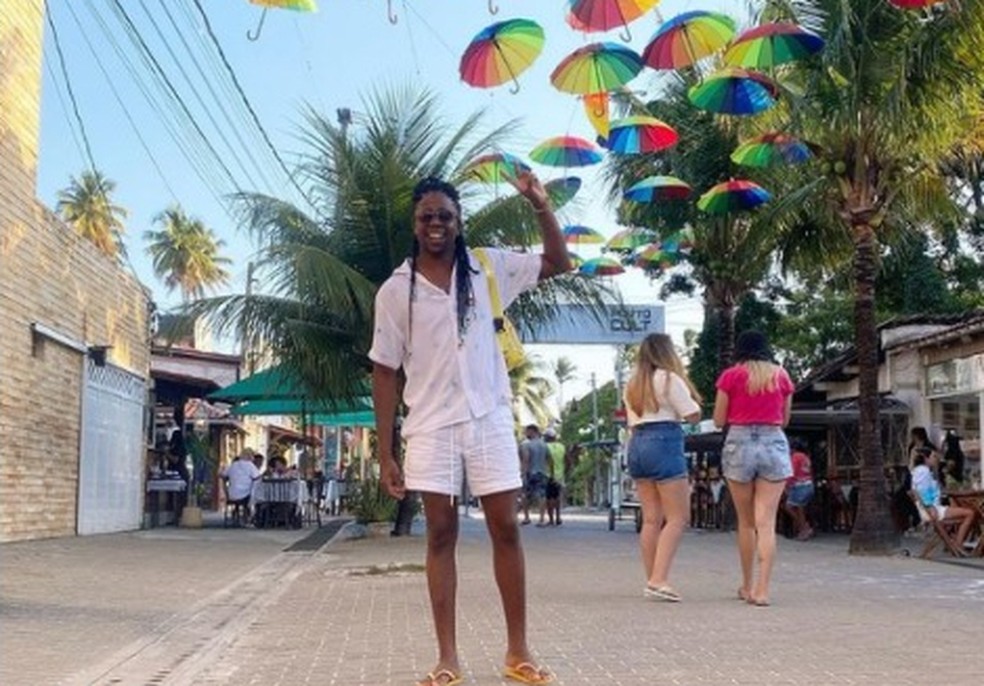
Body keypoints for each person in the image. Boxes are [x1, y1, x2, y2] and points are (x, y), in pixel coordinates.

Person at [370, 173, 570, 686]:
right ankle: (447, 659)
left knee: (506, 528)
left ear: (458, 223)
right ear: (414, 225)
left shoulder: (488, 268)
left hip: (488, 418)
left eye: (445, 216)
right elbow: (386, 370)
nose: (436, 224)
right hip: (431, 425)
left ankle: (518, 652)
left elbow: (557, 263)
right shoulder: (396, 291)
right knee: (440, 534)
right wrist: (385, 450)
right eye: (426, 217)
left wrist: (542, 207)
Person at [713, 330, 794, 607]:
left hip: (739, 441)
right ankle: (762, 590)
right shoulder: (781, 376)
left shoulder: (731, 376)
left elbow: (718, 419)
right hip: (773, 441)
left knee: (745, 522)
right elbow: (784, 420)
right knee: (766, 522)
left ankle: (746, 586)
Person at [623, 333, 702, 602]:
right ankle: (659, 579)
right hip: (664, 440)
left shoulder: (633, 383)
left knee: (651, 519)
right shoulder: (670, 378)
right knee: (678, 517)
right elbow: (691, 413)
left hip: (637, 442)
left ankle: (652, 578)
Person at [911, 448, 976, 547]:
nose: (936, 459)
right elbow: (923, 491)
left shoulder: (920, 471)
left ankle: (954, 543)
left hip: (931, 508)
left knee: (958, 509)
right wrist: (930, 507)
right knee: (970, 513)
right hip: (932, 510)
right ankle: (958, 545)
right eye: (933, 456)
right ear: (926, 458)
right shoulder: (923, 472)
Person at [783, 439, 815, 541]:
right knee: (800, 508)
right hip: (808, 484)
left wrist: (787, 485)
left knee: (789, 507)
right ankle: (803, 530)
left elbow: (792, 472)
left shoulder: (795, 457)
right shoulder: (805, 457)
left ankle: (804, 527)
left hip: (800, 485)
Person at [519, 425, 550, 527]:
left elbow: (526, 459)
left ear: (533, 431)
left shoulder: (527, 445)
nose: (526, 434)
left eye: (527, 432)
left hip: (531, 473)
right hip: (542, 472)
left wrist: (523, 473)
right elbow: (548, 459)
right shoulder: (544, 445)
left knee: (525, 495)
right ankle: (542, 519)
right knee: (542, 495)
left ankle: (527, 517)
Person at [543, 429, 566, 526]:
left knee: (549, 498)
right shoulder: (561, 447)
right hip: (560, 475)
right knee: (557, 497)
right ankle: (558, 517)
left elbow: (547, 460)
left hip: (548, 475)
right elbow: (567, 459)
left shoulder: (545, 447)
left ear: (547, 437)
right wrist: (565, 470)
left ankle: (551, 519)